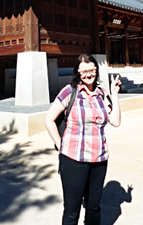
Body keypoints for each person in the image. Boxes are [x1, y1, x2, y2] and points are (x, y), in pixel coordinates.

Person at [44, 54, 122, 225]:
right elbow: (49, 119)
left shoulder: (101, 93)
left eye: (92, 70)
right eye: (84, 71)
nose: (88, 74)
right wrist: (61, 145)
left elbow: (115, 121)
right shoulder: (69, 91)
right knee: (72, 210)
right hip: (74, 159)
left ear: (96, 70)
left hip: (99, 159)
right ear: (78, 73)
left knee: (94, 207)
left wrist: (114, 94)